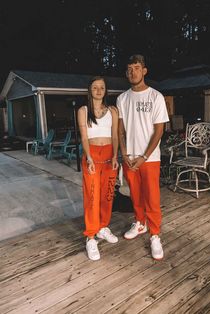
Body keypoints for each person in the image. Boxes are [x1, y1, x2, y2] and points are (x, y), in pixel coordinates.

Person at [117, 54, 169, 260]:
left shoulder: (156, 97)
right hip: (129, 157)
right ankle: (139, 223)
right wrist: (123, 153)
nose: (132, 72)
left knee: (152, 197)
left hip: (150, 158)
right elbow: (120, 131)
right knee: (135, 195)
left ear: (144, 70)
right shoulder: (122, 98)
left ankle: (155, 234)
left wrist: (144, 156)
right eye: (129, 68)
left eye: (136, 68)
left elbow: (159, 131)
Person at [78, 76, 119, 261]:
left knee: (108, 195)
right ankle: (91, 236)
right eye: (95, 87)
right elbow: (84, 138)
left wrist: (116, 155)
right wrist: (89, 157)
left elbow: (116, 136)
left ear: (105, 90)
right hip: (92, 155)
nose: (99, 90)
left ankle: (103, 227)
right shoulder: (83, 110)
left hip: (110, 156)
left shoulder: (113, 110)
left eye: (102, 87)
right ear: (90, 90)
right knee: (92, 196)